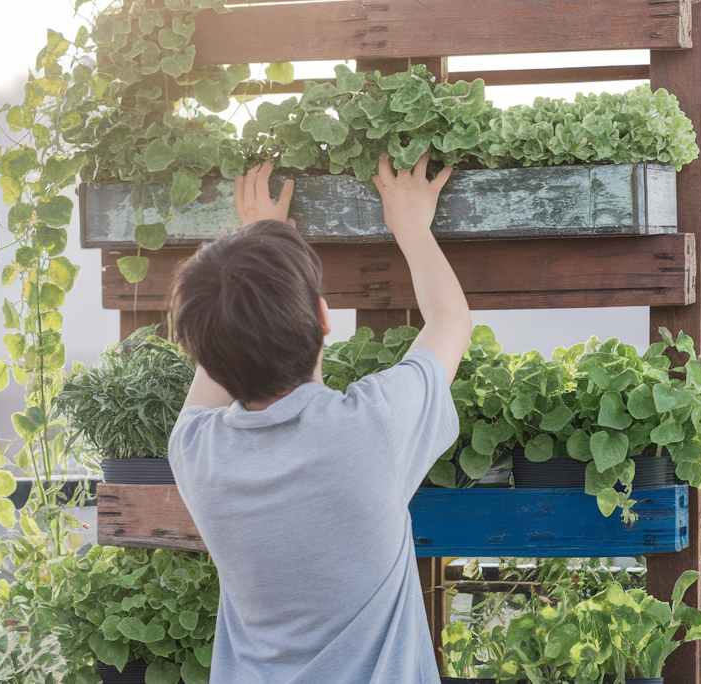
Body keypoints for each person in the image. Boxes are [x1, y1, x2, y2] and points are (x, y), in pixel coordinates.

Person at [166, 154, 472, 684]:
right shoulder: (371, 429)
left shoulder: (196, 452)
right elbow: (450, 321)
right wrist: (411, 227)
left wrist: (259, 245)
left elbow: (216, 356)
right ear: (325, 318)